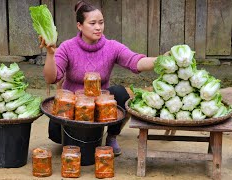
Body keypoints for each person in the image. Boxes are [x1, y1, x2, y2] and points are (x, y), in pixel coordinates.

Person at [39, 0, 157, 156]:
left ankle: (112, 136)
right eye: (92, 23)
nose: (98, 27)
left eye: (101, 22)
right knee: (56, 133)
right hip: (72, 106)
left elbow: (136, 61)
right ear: (79, 25)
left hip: (100, 106)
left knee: (120, 93)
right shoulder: (68, 47)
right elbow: (50, 78)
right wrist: (50, 54)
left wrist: (162, 61)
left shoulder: (112, 47)